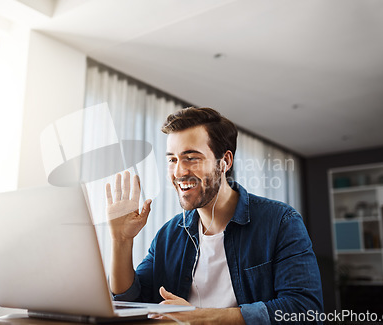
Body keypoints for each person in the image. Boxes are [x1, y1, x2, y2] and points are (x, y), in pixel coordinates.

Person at [105, 107, 323, 324]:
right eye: (172, 160)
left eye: (191, 157)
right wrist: (121, 241)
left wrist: (199, 317)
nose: (179, 172)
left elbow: (305, 311)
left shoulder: (280, 222)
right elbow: (132, 302)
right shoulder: (169, 235)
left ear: (225, 162)